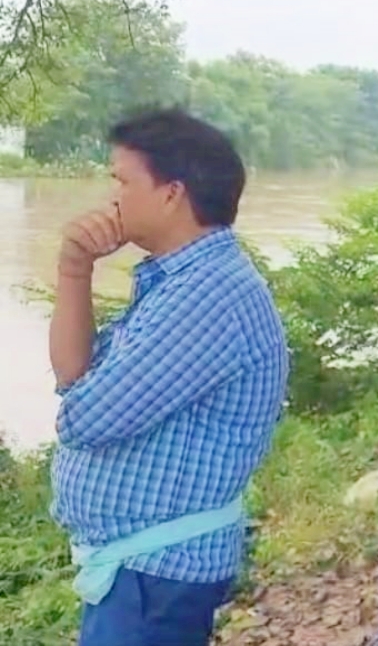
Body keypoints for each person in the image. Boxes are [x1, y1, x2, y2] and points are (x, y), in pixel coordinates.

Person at [50, 109, 289, 646]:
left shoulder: (209, 294)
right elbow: (73, 374)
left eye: (122, 180)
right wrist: (73, 267)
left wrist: (80, 399)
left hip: (157, 576)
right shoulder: (174, 281)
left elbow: (82, 420)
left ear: (171, 193)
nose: (111, 197)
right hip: (143, 571)